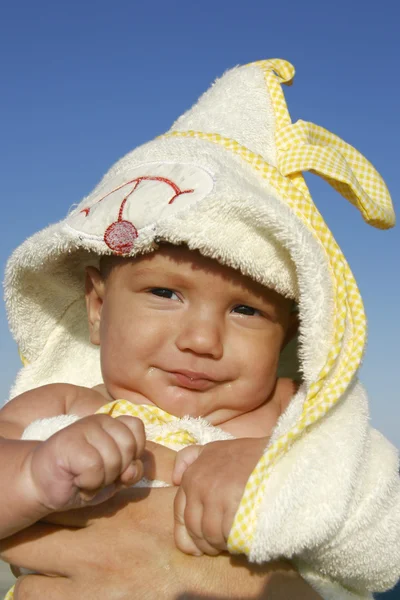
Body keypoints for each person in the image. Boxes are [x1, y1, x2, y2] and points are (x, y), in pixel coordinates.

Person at [2, 58, 399, 599]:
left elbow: (384, 540)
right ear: (97, 307)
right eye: (164, 294)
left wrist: (277, 476)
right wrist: (32, 476)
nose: (201, 341)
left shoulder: (296, 417)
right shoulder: (60, 407)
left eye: (247, 311)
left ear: (289, 335)